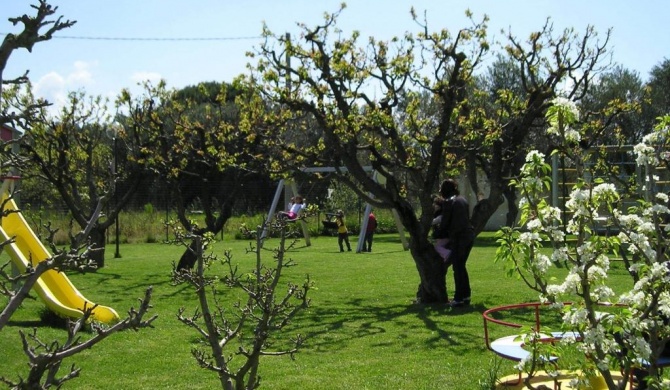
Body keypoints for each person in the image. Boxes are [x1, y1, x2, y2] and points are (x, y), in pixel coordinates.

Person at [437, 179, 475, 307]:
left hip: (460, 237)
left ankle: (459, 298)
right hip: (468, 235)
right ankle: (466, 295)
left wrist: (436, 234)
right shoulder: (462, 199)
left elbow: (445, 223)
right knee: (461, 266)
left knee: (458, 268)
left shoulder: (449, 202)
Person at [431, 196, 452, 264]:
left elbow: (432, 222)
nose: (434, 205)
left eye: (436, 204)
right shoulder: (443, 215)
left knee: (437, 247)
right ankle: (444, 257)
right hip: (445, 236)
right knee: (438, 247)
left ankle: (447, 254)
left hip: (443, 236)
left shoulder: (441, 216)